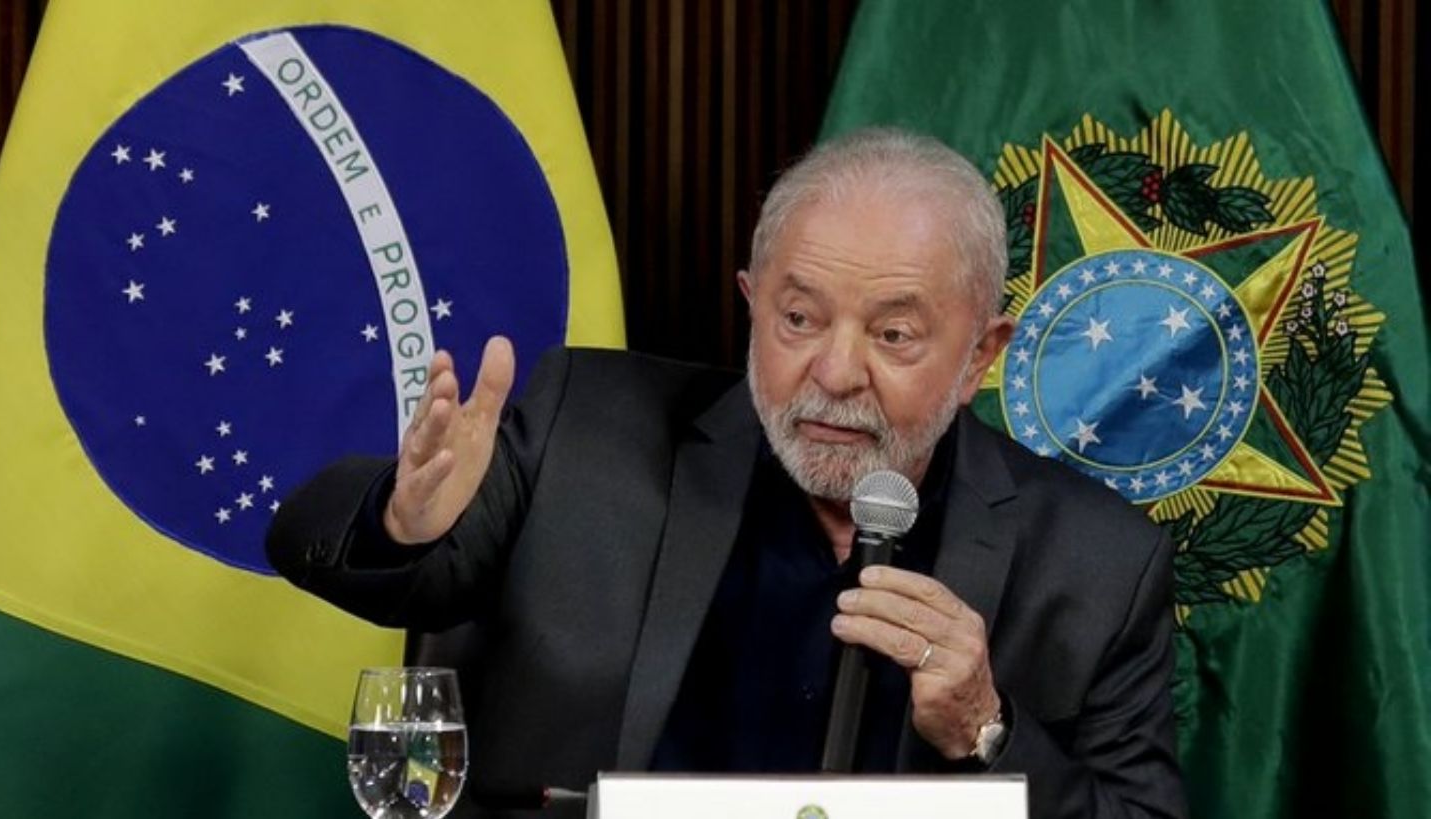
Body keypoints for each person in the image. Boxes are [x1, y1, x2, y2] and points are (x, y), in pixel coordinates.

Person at [268, 127, 1185, 818]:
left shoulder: (1096, 564)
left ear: (983, 350)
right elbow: (343, 549)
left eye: (895, 334)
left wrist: (988, 728)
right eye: (798, 319)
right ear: (751, 301)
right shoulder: (584, 428)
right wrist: (403, 518)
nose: (835, 372)